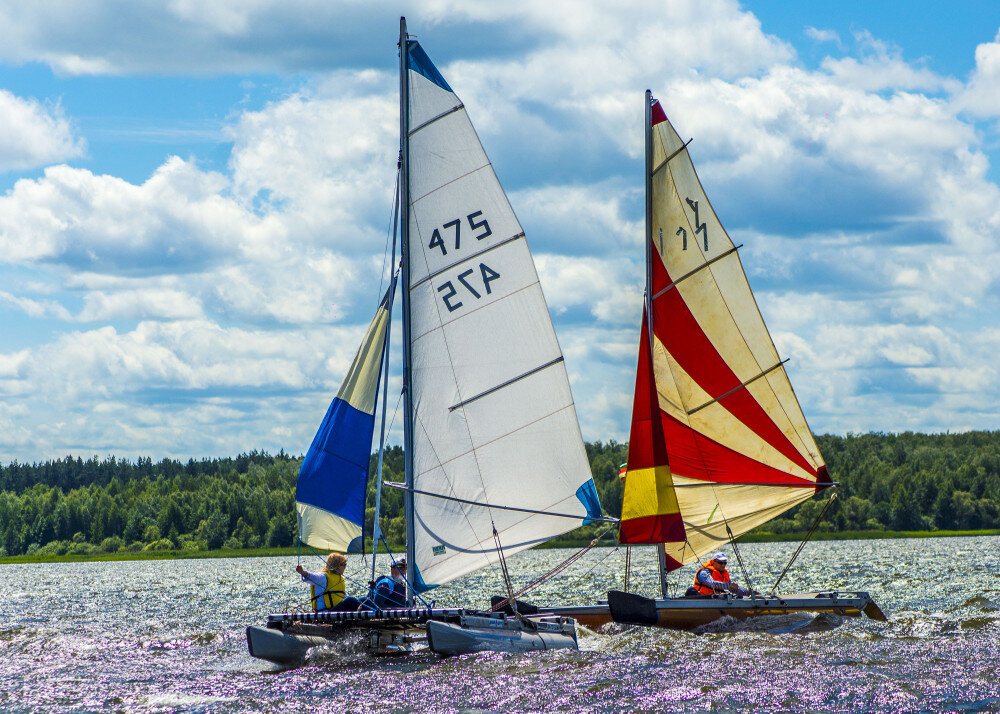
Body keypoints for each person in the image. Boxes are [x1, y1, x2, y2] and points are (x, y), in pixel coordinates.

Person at [296, 552, 362, 612]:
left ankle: (372, 614)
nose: (345, 567)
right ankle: (371, 614)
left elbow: (344, 596)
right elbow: (313, 577)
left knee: (364, 600)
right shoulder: (323, 576)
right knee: (350, 600)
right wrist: (302, 572)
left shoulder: (338, 578)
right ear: (337, 566)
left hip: (337, 610)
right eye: (344, 565)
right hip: (325, 613)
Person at [686, 552, 753, 597]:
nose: (723, 565)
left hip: (713, 600)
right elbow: (712, 584)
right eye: (720, 563)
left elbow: (732, 589)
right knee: (690, 590)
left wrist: (749, 593)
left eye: (725, 563)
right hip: (699, 597)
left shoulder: (724, 574)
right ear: (713, 562)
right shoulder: (704, 572)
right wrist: (729, 585)